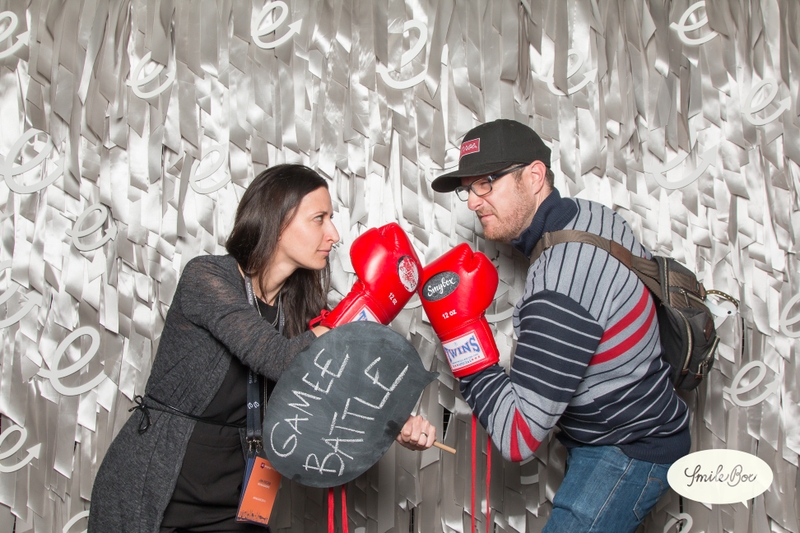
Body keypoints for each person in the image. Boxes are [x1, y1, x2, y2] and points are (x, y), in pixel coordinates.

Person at [88, 164, 435, 533]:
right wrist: (363, 307)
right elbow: (278, 359)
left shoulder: (303, 310)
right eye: (319, 218)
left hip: (236, 498)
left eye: (331, 219)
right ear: (277, 221)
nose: (334, 234)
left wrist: (395, 422)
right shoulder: (207, 278)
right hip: (157, 486)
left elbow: (336, 394)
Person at [425, 119, 690, 533]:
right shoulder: (590, 216)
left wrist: (460, 335)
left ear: (534, 176)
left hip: (626, 449)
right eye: (467, 189)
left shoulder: (558, 286)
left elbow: (518, 436)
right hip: (643, 417)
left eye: (486, 184)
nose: (473, 202)